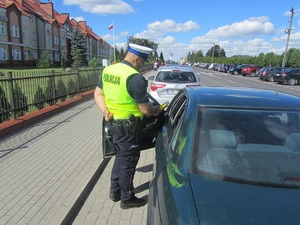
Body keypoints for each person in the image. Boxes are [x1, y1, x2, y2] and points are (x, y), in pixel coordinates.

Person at [94, 43, 163, 209]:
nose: (142, 65)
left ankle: (115, 191)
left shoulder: (109, 70)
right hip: (129, 128)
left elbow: (98, 93)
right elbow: (145, 110)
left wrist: (105, 111)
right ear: (137, 58)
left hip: (113, 124)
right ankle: (127, 199)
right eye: (142, 61)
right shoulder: (135, 77)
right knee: (128, 162)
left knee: (120, 158)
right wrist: (155, 111)